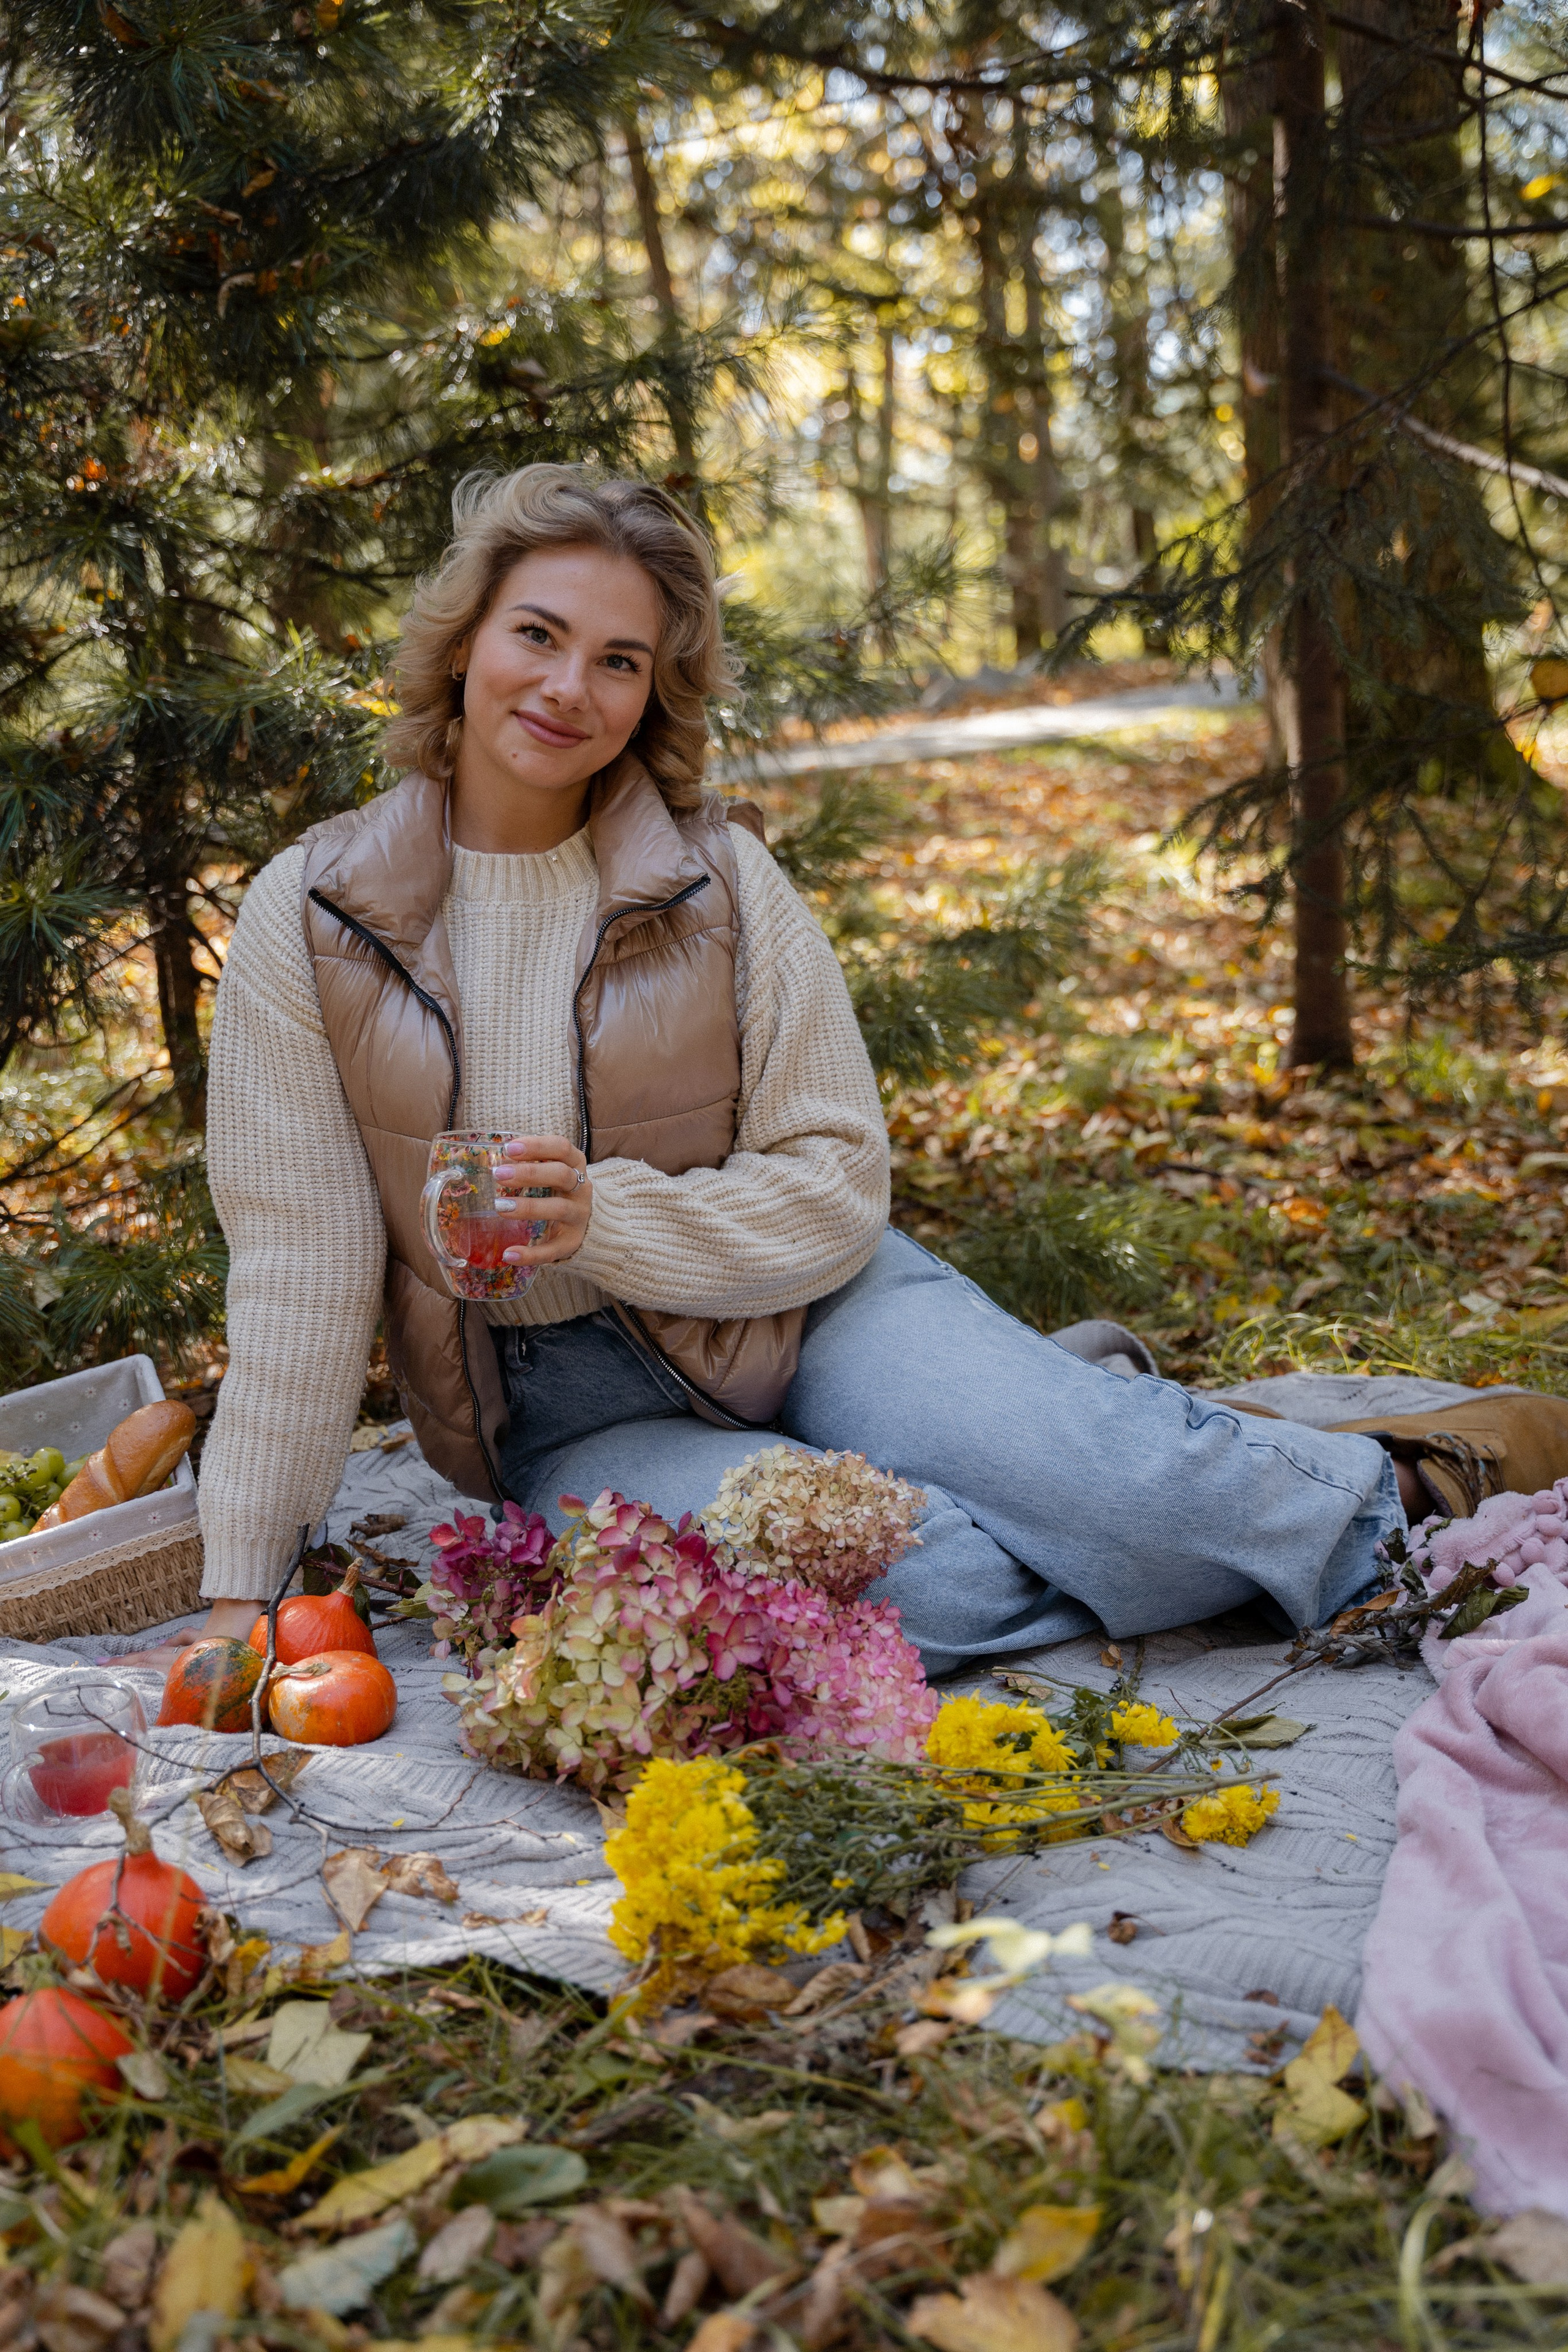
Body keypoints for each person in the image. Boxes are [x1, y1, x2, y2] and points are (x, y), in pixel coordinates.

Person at [189, 464, 1568, 1679]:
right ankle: (1086, 1450)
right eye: (536, 636)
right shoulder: (317, 916)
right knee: (923, 1585)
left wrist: (613, 1218)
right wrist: (240, 1589)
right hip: (561, 1406)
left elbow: (837, 1181)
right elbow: (301, 1270)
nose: (567, 688)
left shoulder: (718, 879)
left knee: (1093, 1483)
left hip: (811, 1305)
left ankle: (1382, 1485)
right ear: (463, 645)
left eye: (618, 660)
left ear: (652, 689)